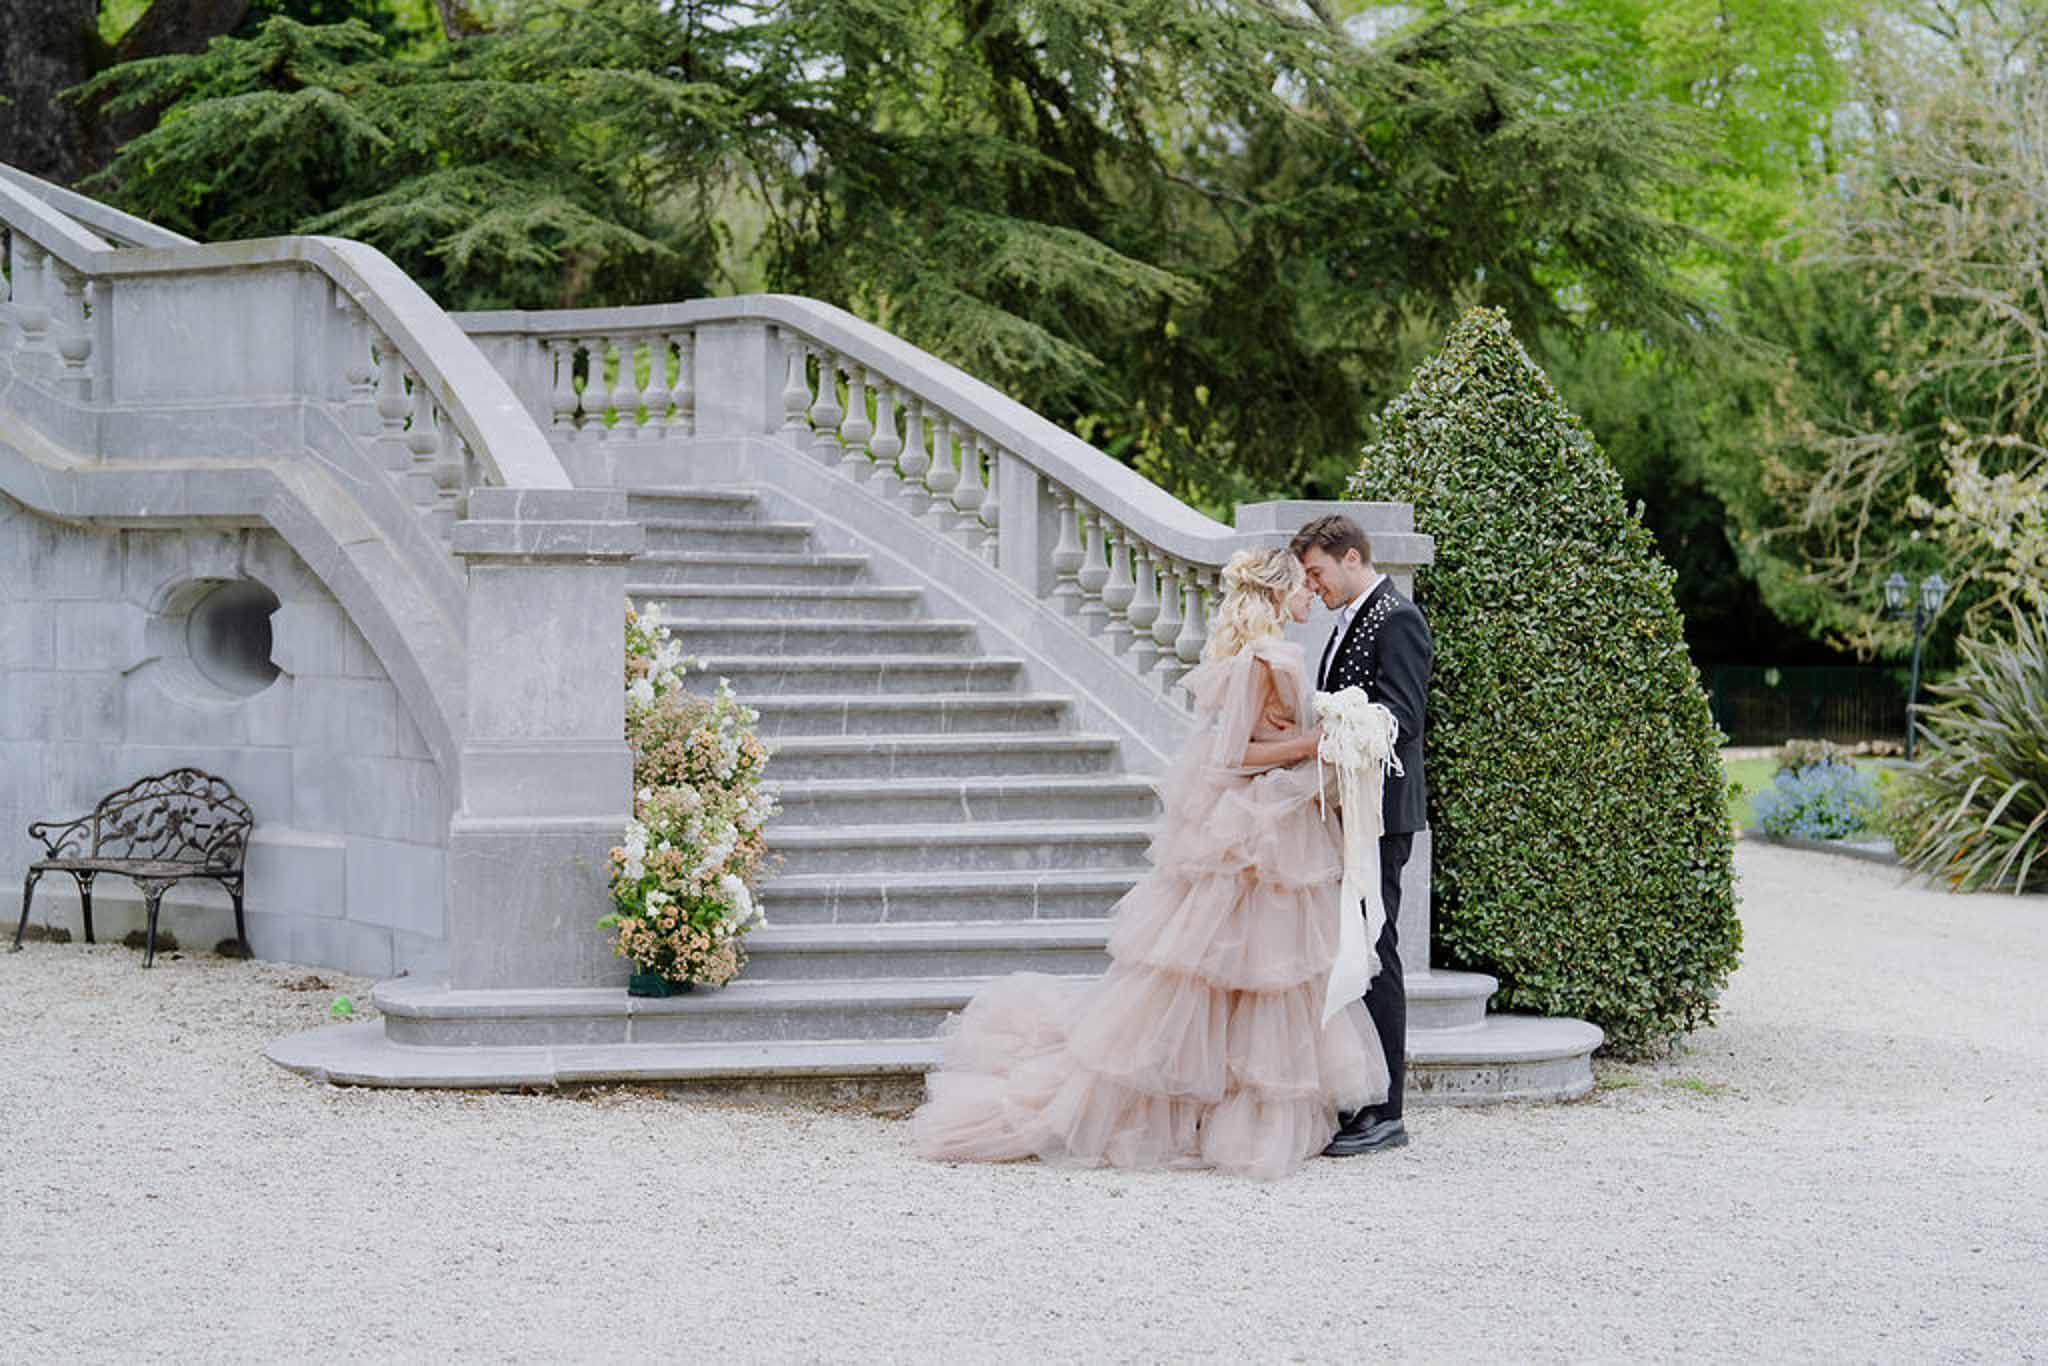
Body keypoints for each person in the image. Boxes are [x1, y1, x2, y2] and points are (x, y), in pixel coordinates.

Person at [908, 547, 1386, 1180]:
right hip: (1254, 834)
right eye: (1301, 586)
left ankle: (1215, 1108)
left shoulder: (1263, 654)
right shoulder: (1266, 658)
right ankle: (1207, 1112)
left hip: (1269, 829)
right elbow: (1235, 753)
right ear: (1278, 594)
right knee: (1232, 973)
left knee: (1257, 975)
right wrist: (1320, 739)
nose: (1308, 597)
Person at [1289, 514, 1433, 1157]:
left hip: (1379, 815)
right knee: (1353, 949)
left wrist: (1336, 722)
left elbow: (1400, 717)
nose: (1313, 587)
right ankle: (1360, 1098)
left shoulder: (1396, 618)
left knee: (1379, 951)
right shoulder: (1347, 618)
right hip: (1347, 810)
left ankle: (1387, 1111)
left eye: (1318, 573)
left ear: (1351, 558)